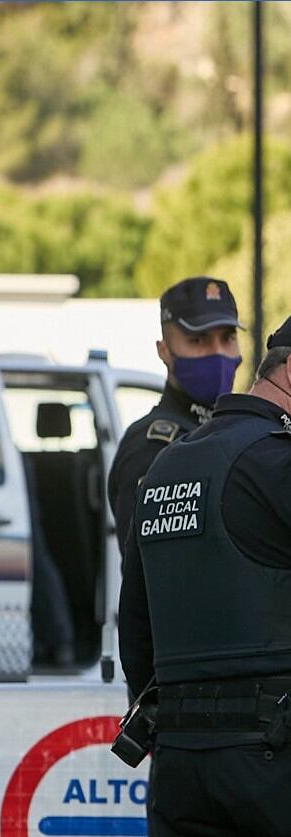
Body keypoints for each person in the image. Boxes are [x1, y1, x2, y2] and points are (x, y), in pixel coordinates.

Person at [118, 315, 291, 835]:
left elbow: (136, 624)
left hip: (179, 760)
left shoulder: (169, 463)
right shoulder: (277, 463)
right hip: (273, 762)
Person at [108, 276, 242, 557]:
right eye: (198, 340)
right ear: (164, 351)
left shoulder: (233, 432)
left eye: (228, 338)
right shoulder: (152, 447)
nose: (217, 353)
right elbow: (149, 568)